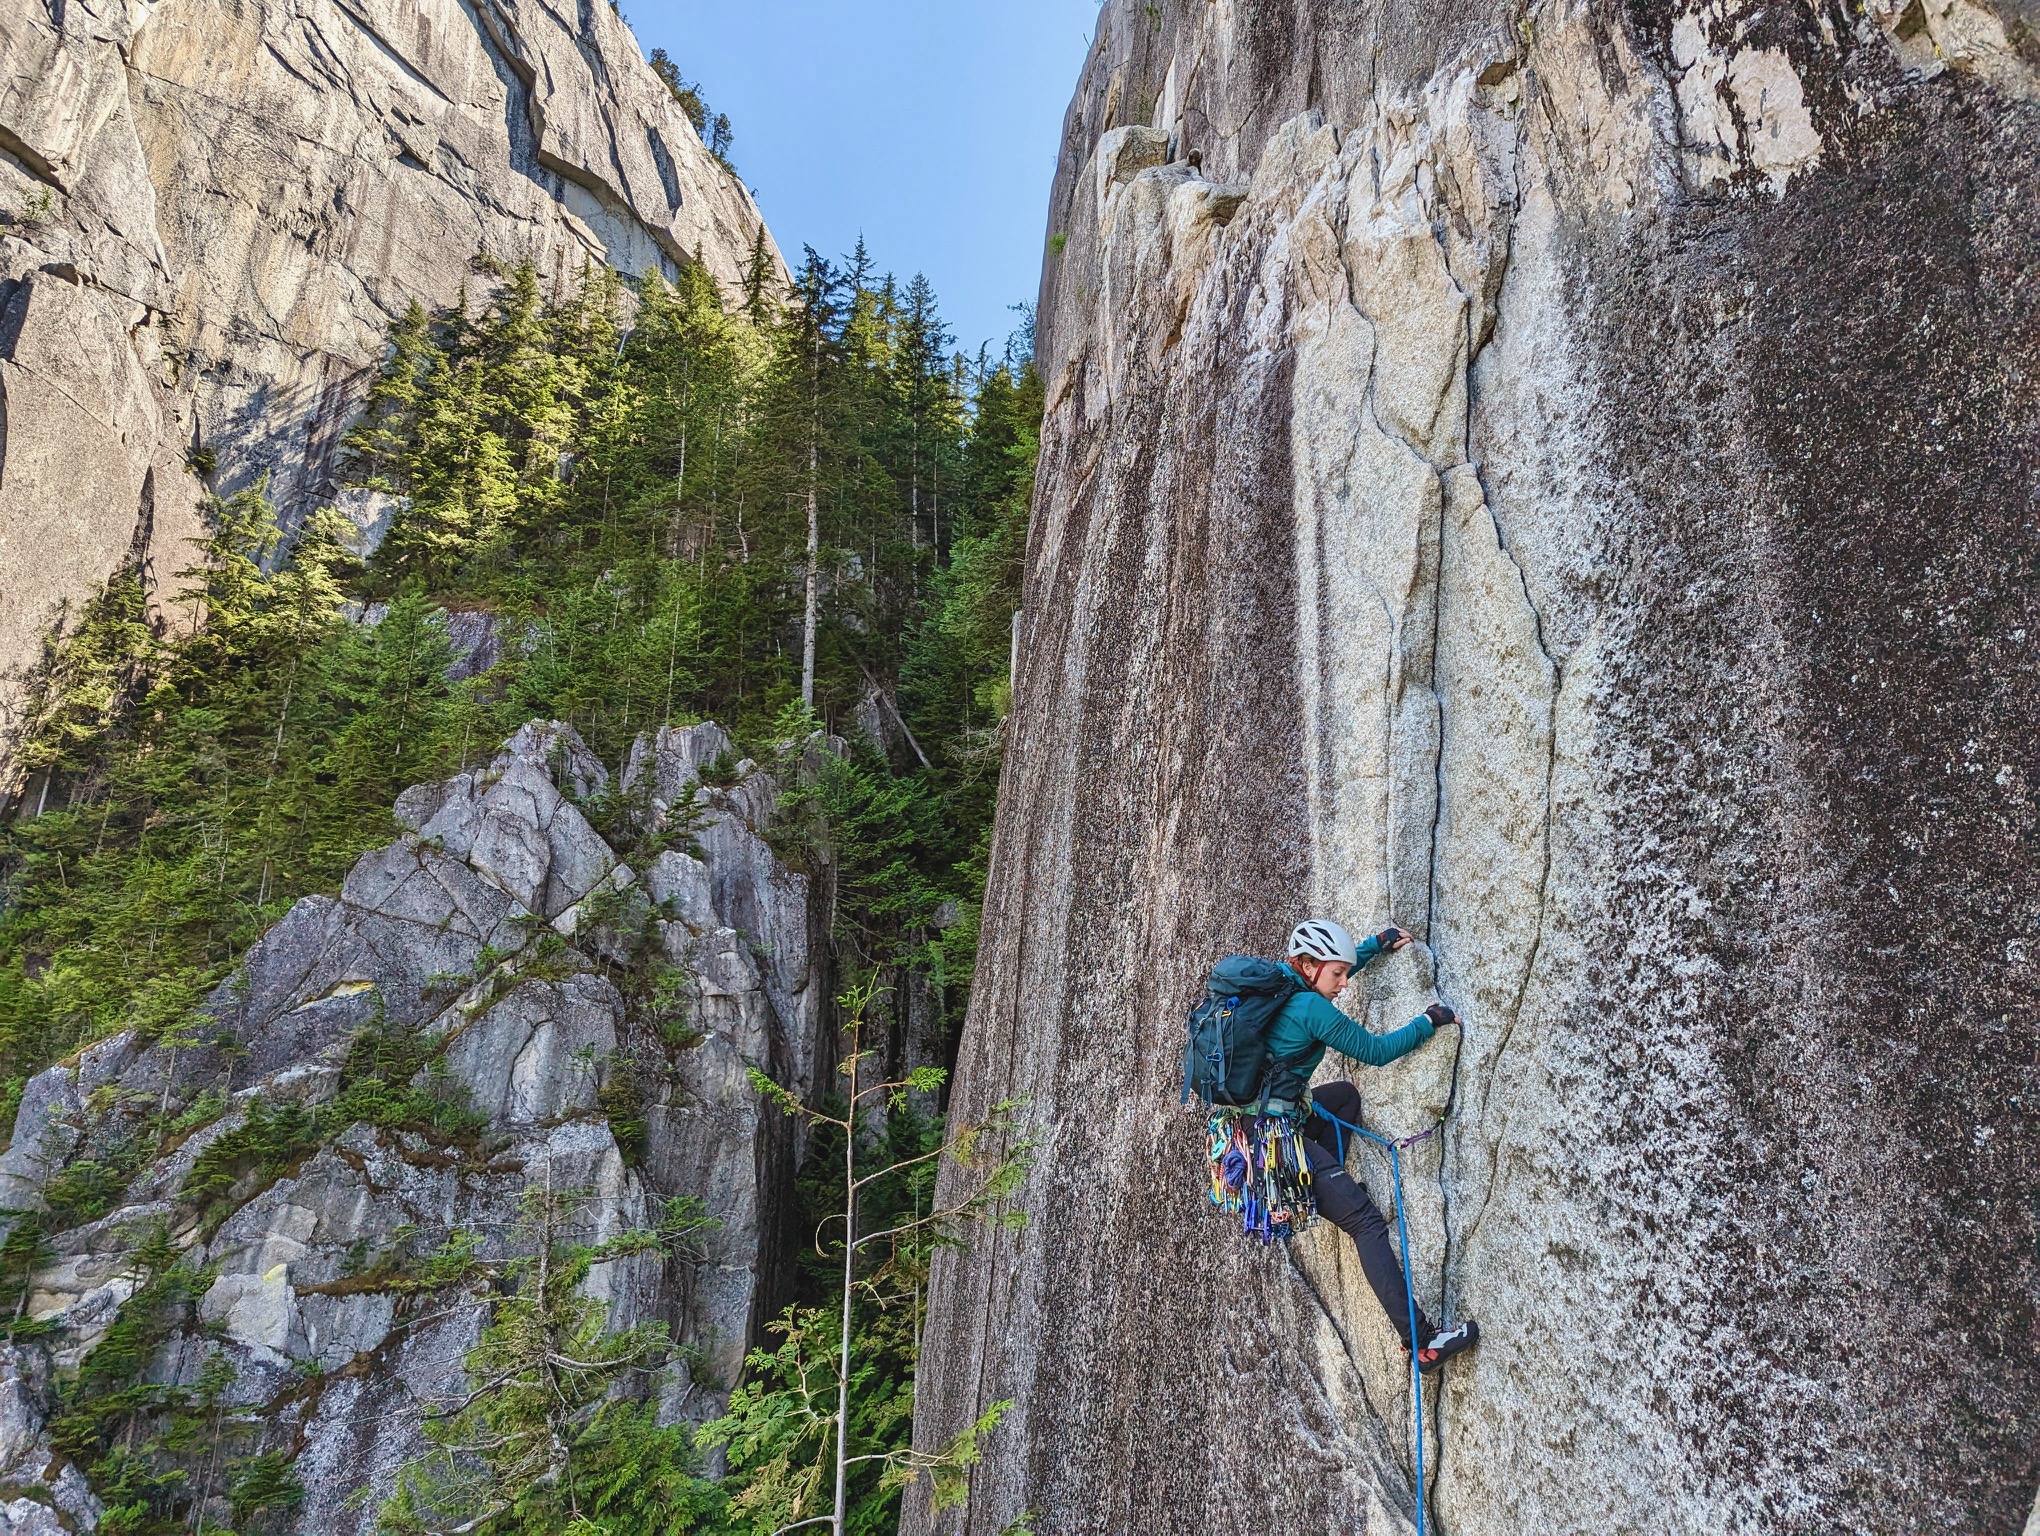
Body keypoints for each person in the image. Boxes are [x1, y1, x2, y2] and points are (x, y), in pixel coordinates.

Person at [1268, 917, 1480, 1372]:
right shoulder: (1313, 1010)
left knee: (1343, 1097)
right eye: (1336, 975)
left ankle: (1320, 1188)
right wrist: (1430, 1020)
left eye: (1346, 973)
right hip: (1275, 1144)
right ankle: (1422, 1343)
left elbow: (1332, 975)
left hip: (1261, 1131)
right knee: (1365, 1222)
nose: (1344, 984)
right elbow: (1379, 1052)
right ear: (1308, 967)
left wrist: (1373, 946)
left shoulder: (1284, 984)